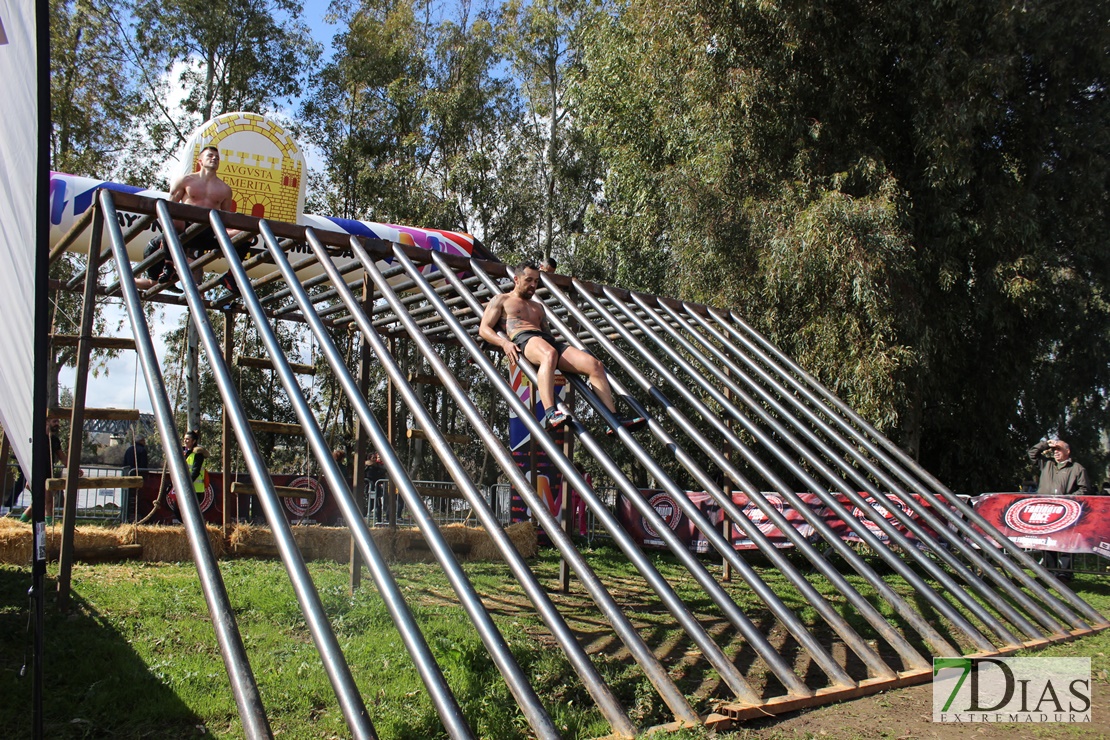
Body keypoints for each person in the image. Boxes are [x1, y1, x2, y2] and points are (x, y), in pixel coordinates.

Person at [479, 260, 643, 433]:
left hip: (546, 342)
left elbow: (547, 334)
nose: (533, 285)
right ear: (516, 279)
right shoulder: (502, 300)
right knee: (549, 354)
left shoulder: (538, 307)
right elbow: (484, 329)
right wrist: (504, 343)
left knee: (595, 365)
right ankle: (550, 414)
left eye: (536, 281)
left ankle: (612, 418)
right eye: (528, 280)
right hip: (524, 338)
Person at [135, 146, 243, 299]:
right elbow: (167, 209)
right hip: (184, 232)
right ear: (200, 161)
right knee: (174, 219)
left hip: (207, 233)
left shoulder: (225, 189)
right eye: (210, 156)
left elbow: (225, 220)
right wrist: (166, 238)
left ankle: (231, 276)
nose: (214, 159)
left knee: (246, 233)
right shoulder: (186, 180)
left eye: (217, 157)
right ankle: (169, 266)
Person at [1027, 438, 1093, 580]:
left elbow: (1085, 489)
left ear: (1067, 451)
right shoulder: (1047, 464)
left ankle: (1065, 573)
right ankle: (1049, 572)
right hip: (1047, 510)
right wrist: (1046, 444)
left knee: (1066, 542)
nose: (1056, 452)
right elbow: (1032, 453)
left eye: (1059, 449)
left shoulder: (1077, 468)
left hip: (1067, 512)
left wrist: (1067, 498)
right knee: (1046, 541)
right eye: (1054, 450)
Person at [19, 417, 75, 523]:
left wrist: (74, 469)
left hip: (47, 474)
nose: (57, 424)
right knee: (48, 502)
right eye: (54, 421)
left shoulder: (54, 440)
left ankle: (20, 522)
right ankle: (49, 527)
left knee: (38, 502)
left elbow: (62, 458)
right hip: (37, 474)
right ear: (46, 423)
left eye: (58, 421)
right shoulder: (37, 437)